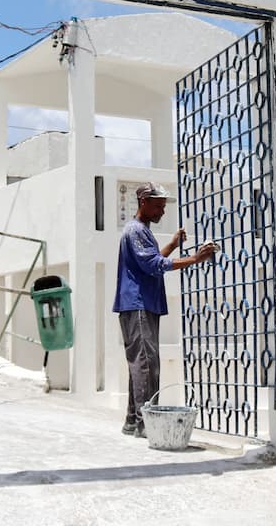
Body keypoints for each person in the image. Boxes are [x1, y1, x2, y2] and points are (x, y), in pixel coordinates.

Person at [113, 182, 217, 437]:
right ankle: (146, 424)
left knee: (141, 363)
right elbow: (154, 264)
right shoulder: (136, 230)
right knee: (146, 364)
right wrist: (194, 259)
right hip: (138, 304)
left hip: (141, 303)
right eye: (158, 206)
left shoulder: (141, 231)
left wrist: (172, 245)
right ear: (143, 203)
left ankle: (133, 421)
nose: (162, 211)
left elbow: (150, 259)